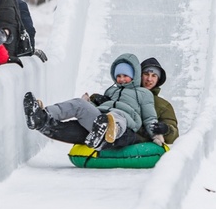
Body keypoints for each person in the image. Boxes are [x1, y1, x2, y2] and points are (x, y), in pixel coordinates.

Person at [23, 53, 161, 149]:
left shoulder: (144, 94)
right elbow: (94, 109)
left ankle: (108, 130)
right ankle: (42, 115)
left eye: (125, 75)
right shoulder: (110, 91)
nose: (121, 79)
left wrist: (157, 135)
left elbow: (150, 117)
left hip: (124, 123)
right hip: (100, 119)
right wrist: (89, 103)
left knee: (114, 117)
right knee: (79, 103)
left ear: (134, 76)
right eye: (118, 76)